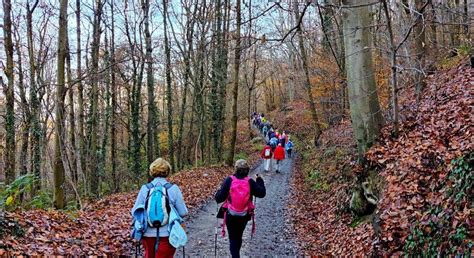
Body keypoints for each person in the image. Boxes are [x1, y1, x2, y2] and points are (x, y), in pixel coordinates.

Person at [131, 158, 188, 258]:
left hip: (147, 234)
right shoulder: (173, 188)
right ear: (167, 171)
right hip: (168, 233)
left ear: (152, 171)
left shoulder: (145, 188)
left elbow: (135, 212)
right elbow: (183, 212)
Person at [215, 160, 266, 258]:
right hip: (244, 215)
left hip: (230, 215)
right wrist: (259, 180)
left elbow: (219, 198)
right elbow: (262, 193)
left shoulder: (229, 180)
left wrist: (218, 191)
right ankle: (236, 254)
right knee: (238, 235)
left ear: (236, 169)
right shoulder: (249, 181)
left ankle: (235, 255)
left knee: (233, 238)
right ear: (247, 170)